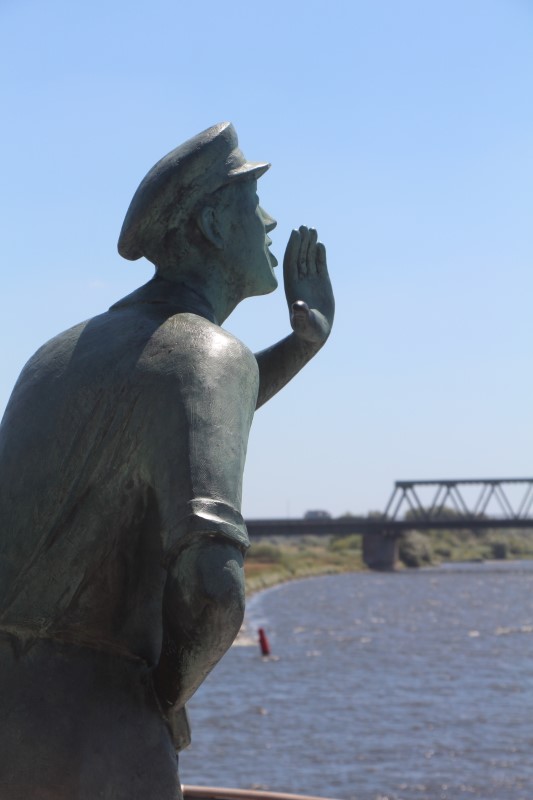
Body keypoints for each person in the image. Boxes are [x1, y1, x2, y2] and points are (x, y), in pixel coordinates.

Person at [0, 122, 334, 799]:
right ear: (211, 222)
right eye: (253, 202)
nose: (270, 222)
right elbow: (214, 589)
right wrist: (157, 700)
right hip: (96, 737)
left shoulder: (57, 355)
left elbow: (180, 410)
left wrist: (302, 345)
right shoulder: (205, 357)